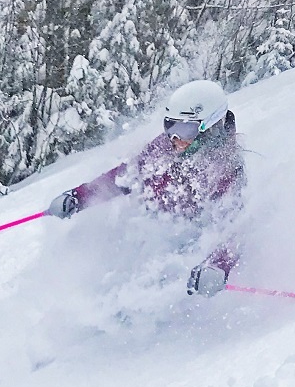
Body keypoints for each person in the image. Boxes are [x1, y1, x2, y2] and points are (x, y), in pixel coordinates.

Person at [48, 79, 245, 296]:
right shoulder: (165, 147)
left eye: (185, 130)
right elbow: (127, 176)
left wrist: (217, 267)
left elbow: (233, 229)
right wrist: (79, 196)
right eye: (170, 126)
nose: (176, 138)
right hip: (151, 238)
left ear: (211, 127)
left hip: (188, 256)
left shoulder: (226, 169)